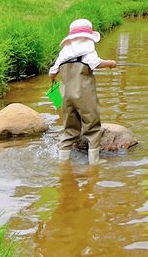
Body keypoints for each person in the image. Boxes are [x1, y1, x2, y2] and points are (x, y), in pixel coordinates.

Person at [49, 18, 117, 163]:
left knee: (70, 130)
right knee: (92, 127)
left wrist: (53, 79)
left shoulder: (63, 55)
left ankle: (63, 163)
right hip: (84, 95)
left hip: (66, 96)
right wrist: (111, 63)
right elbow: (96, 63)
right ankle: (94, 162)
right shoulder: (87, 50)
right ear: (88, 37)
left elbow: (52, 73)